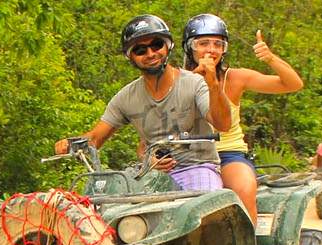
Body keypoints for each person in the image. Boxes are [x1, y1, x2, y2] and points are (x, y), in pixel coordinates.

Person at [54, 15, 233, 181]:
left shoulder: (194, 83)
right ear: (130, 56)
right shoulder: (125, 97)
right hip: (151, 175)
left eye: (156, 45)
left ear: (168, 46)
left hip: (198, 168)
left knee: (201, 206)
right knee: (113, 209)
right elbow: (95, 139)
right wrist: (69, 145)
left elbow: (223, 124)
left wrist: (214, 85)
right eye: (140, 50)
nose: (150, 54)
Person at [180, 13, 303, 225]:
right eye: (203, 43)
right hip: (186, 156)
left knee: (244, 187)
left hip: (228, 154)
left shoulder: (235, 78)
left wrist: (270, 58)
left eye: (218, 44)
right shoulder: (176, 80)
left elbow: (293, 84)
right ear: (190, 47)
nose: (211, 49)